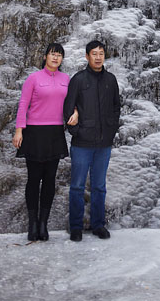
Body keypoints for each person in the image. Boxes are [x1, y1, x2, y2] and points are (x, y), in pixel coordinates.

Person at [13, 42, 78, 241]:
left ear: (62, 59)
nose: (55, 58)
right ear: (45, 56)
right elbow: (23, 104)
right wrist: (19, 130)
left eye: (59, 55)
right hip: (34, 132)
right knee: (34, 179)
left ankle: (43, 224)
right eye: (52, 54)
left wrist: (76, 112)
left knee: (50, 179)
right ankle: (32, 224)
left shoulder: (66, 79)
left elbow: (73, 101)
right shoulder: (33, 78)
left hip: (55, 132)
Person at [63, 40, 120, 242]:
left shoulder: (111, 80)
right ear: (87, 56)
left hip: (104, 144)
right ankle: (76, 227)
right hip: (81, 144)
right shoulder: (78, 80)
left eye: (101, 53)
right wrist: (76, 132)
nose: (98, 57)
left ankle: (98, 225)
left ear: (104, 56)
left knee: (99, 186)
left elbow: (116, 107)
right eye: (94, 53)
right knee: (77, 186)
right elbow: (68, 108)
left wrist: (111, 130)